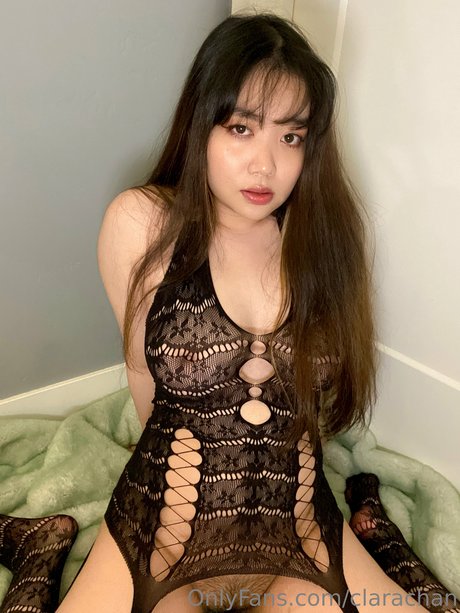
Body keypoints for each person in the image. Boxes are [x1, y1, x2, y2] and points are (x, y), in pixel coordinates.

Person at [0, 12, 457, 613]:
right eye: (241, 128)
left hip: (301, 535)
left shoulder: (321, 241)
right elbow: (143, 374)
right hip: (164, 537)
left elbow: (310, 411)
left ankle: (375, 534)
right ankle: (42, 546)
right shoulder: (143, 225)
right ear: (201, 125)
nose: (265, 166)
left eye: (290, 137)